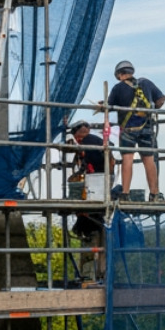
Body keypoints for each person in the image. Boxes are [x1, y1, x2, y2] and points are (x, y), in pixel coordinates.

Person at [105, 60, 165, 200]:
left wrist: (102, 105)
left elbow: (109, 106)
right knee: (149, 160)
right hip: (147, 127)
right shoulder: (146, 83)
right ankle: (154, 194)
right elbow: (161, 99)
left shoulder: (118, 88)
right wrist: (153, 108)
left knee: (127, 159)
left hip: (128, 129)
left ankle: (125, 193)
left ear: (120, 74)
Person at [62, 120, 106, 283]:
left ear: (79, 133)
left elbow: (87, 164)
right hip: (100, 187)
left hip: (96, 187)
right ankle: (97, 273)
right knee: (96, 226)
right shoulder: (95, 141)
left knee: (90, 227)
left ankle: (91, 274)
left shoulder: (87, 142)